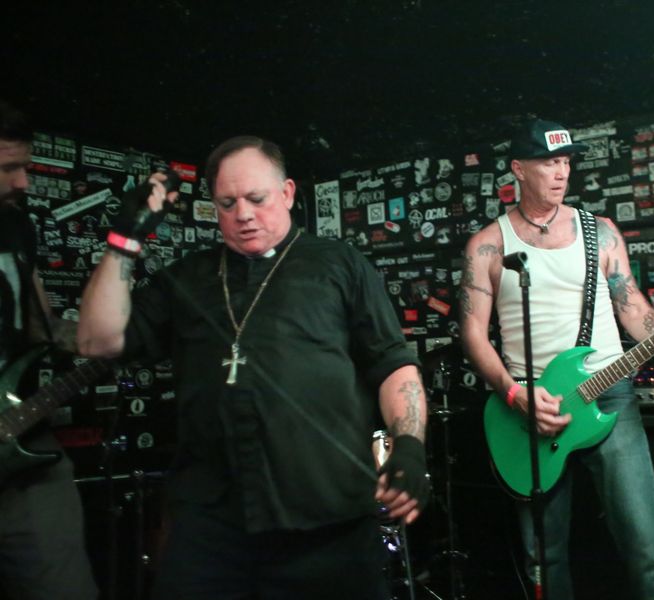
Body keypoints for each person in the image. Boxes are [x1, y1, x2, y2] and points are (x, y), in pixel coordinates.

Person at [77, 136, 429, 599]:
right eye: (227, 203)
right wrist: (125, 239)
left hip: (328, 520)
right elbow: (96, 341)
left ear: (287, 193)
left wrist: (409, 444)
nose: (243, 214)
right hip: (210, 527)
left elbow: (393, 365)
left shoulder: (339, 265)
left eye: (256, 199)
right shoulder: (186, 279)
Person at [460, 118, 654, 599]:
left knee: (648, 542)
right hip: (529, 404)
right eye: (549, 162)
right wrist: (514, 394)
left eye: (566, 162)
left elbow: (630, 306)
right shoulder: (488, 244)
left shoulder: (600, 232)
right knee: (544, 557)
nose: (561, 172)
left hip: (608, 391)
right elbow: (472, 335)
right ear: (518, 169)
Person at [0, 101, 97, 599]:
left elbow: (44, 327)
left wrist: (107, 338)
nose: (24, 182)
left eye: (26, 166)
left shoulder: (17, 225)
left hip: (23, 442)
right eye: (7, 168)